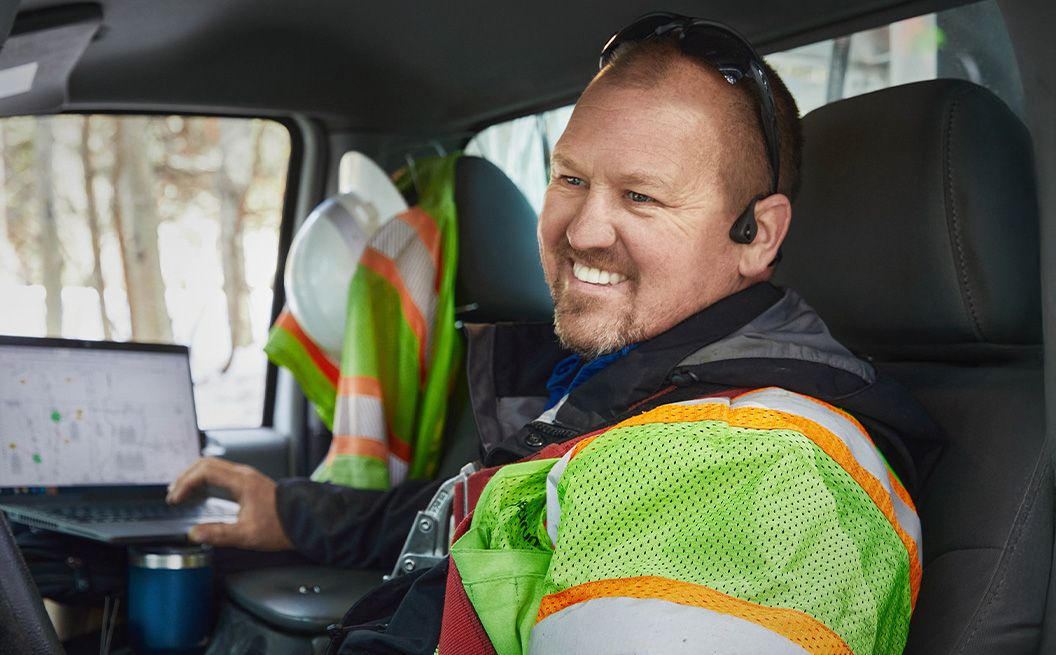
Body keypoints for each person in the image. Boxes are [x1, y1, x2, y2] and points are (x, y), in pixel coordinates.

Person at [169, 13, 934, 654]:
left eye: (641, 196)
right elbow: (473, 505)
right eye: (571, 178)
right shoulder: (630, 384)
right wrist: (292, 511)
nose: (584, 229)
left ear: (756, 235)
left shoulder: (760, 467)